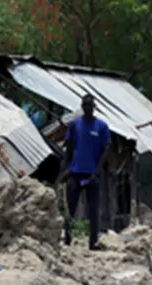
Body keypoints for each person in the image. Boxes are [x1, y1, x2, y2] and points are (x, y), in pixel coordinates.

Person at [62, 95, 112, 249]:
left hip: (92, 174)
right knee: (70, 207)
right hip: (76, 172)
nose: (87, 108)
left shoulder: (101, 127)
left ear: (94, 107)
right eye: (85, 105)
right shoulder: (75, 125)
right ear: (82, 107)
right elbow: (69, 148)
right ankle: (67, 238)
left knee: (93, 209)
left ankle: (93, 241)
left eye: (90, 105)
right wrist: (66, 169)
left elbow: (106, 149)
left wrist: (97, 170)